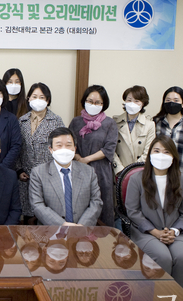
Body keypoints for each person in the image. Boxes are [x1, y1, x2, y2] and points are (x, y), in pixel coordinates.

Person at [125, 135, 183, 290]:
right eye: (156, 151)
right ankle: (157, 298)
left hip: (177, 233)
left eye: (166, 152)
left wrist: (174, 231)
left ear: (173, 157)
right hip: (145, 232)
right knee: (162, 257)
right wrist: (155, 232)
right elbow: (133, 211)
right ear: (150, 154)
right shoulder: (137, 179)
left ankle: (177, 298)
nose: (161, 156)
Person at [29, 127, 103, 226]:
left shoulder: (88, 171)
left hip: (82, 229)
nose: (64, 149)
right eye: (59, 145)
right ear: (50, 149)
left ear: (74, 149)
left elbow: (96, 202)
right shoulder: (38, 173)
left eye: (68, 145)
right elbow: (37, 205)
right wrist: (63, 225)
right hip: (51, 230)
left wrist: (81, 226)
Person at [68, 85, 117, 226]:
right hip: (78, 169)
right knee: (79, 206)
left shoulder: (110, 123)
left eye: (97, 102)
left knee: (102, 207)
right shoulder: (76, 122)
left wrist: (86, 159)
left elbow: (109, 149)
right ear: (84, 101)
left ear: (103, 104)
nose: (93, 105)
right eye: (90, 101)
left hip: (101, 171)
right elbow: (69, 143)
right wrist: (78, 158)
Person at [16, 83, 65, 224]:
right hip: (26, 177)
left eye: (42, 97)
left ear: (48, 100)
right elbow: (18, 147)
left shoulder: (56, 121)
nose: (38, 100)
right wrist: (19, 170)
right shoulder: (22, 120)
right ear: (28, 98)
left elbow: (62, 148)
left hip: (48, 176)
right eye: (34, 96)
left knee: (47, 218)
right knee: (28, 218)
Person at [153, 86, 183, 178]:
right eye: (168, 100)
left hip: (181, 174)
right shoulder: (156, 122)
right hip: (157, 174)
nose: (171, 103)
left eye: (176, 100)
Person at [112, 85, 156, 175]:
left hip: (139, 172)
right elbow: (111, 149)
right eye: (129, 100)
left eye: (137, 101)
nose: (132, 104)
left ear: (143, 103)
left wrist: (132, 170)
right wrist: (120, 170)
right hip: (118, 173)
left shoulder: (150, 125)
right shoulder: (115, 122)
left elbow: (148, 152)